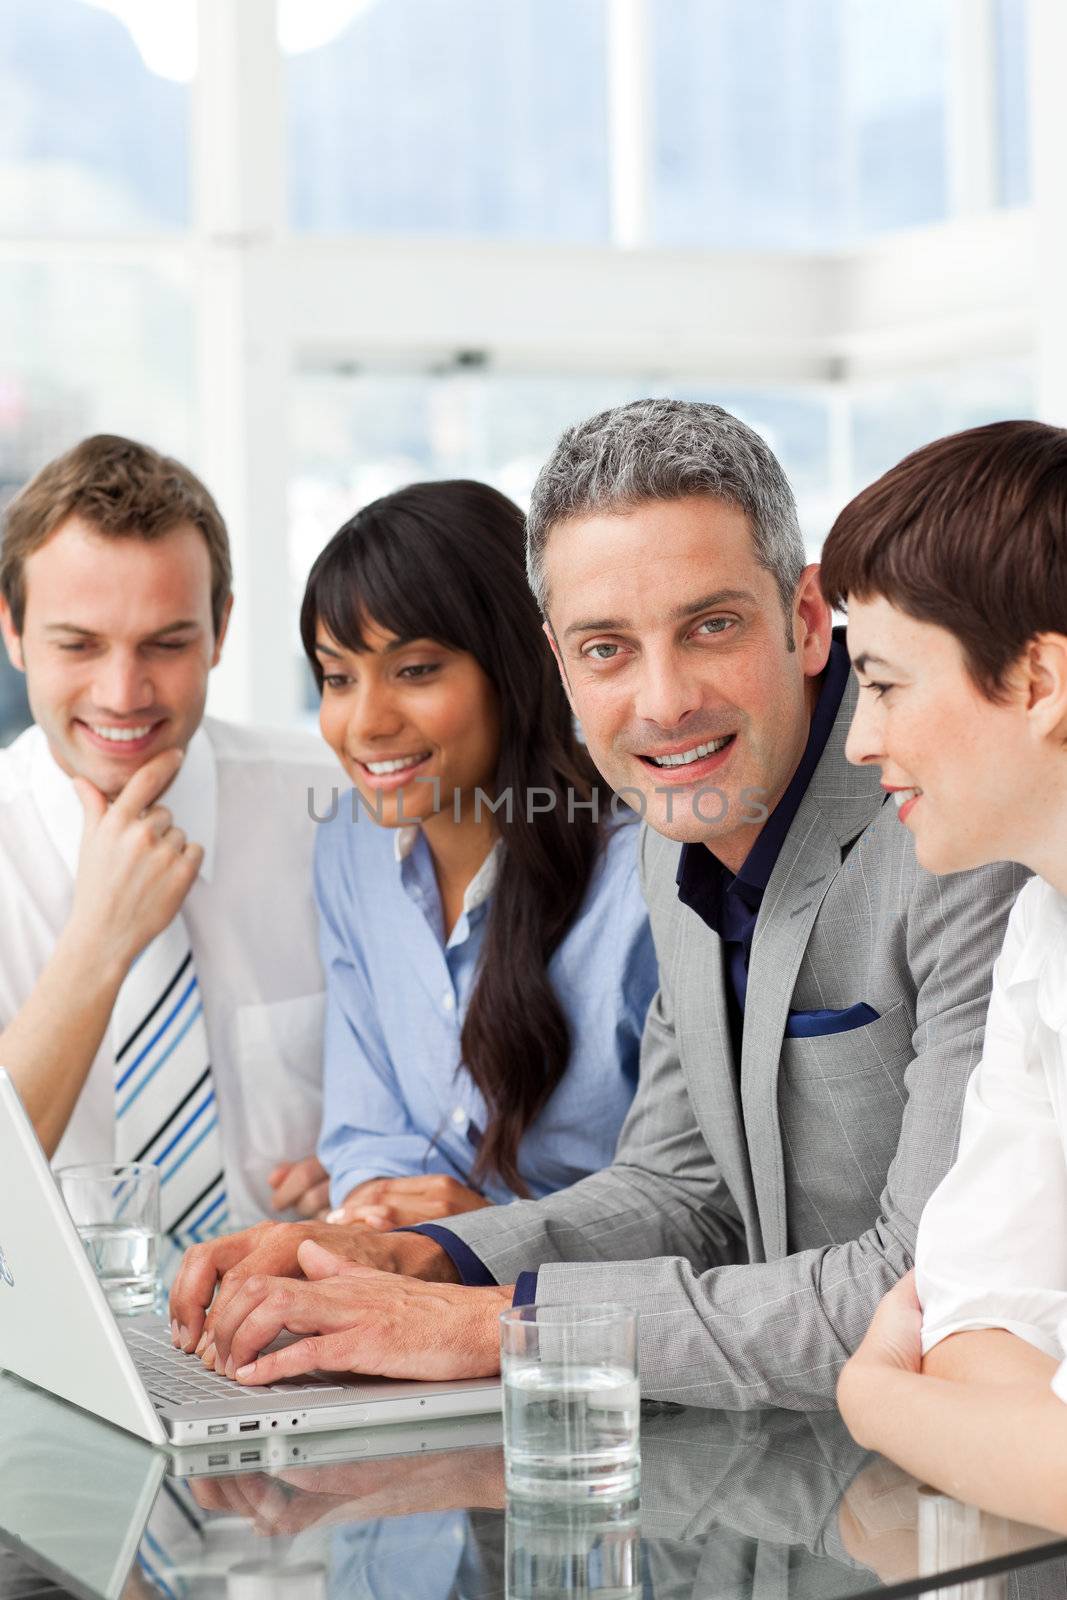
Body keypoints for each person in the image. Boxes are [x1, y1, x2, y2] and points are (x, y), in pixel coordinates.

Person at [169, 399, 1022, 1405]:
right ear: (559, 661)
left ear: (801, 619)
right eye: (606, 647)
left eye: (708, 626)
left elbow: (922, 1291)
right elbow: (679, 1191)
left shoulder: (953, 828)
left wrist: (497, 1324)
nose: (662, 702)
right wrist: (423, 1259)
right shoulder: (676, 831)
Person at [816, 421, 1067, 1534]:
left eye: (881, 683)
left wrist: (876, 1402)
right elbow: (963, 1303)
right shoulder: (1040, 923)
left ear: (1037, 677)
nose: (859, 741)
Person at [0, 434, 337, 1239]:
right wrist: (99, 943)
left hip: (300, 1330)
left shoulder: (340, 802)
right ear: (12, 630)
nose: (123, 694)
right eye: (77, 644)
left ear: (221, 629)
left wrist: (385, 1157)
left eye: (167, 643)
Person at [300, 479, 656, 1233]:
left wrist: (484, 1231)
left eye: (416, 670)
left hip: (591, 1324)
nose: (365, 723)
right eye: (337, 678)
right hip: (405, 1295)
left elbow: (694, 1204)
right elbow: (366, 1136)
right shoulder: (347, 845)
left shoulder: (647, 872)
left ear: (517, 663)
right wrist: (379, 1217)